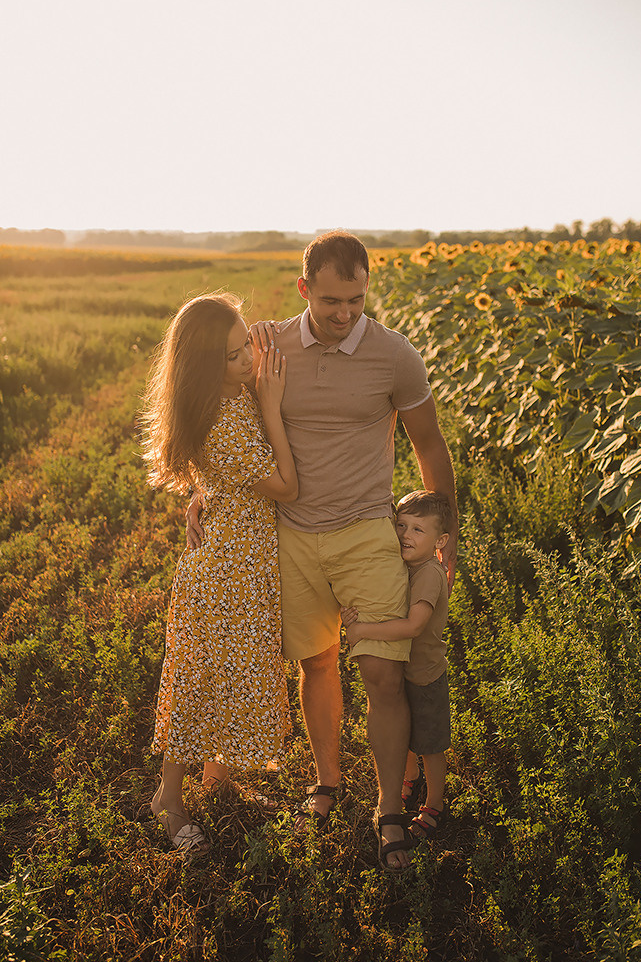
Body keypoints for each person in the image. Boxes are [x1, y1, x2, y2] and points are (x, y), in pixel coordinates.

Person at [187, 231, 458, 870]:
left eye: (357, 300)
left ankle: (389, 807)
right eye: (332, 300)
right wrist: (200, 489)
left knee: (384, 673)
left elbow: (431, 447)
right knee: (316, 663)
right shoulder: (265, 344)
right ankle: (328, 778)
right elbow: (217, 414)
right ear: (304, 288)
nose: (345, 314)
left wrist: (445, 533)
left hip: (368, 530)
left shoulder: (396, 357)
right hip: (290, 532)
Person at [143, 293, 297, 853]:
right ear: (207, 367)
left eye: (245, 349)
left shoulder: (232, 397)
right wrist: (273, 406)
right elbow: (286, 487)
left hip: (243, 561)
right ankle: (170, 797)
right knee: (202, 681)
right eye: (234, 358)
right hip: (226, 569)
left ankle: (220, 778)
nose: (249, 362)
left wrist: (205, 493)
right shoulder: (226, 417)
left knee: (230, 673)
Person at [341, 490, 453, 842]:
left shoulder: (429, 574)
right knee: (401, 732)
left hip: (424, 675)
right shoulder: (401, 567)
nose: (406, 535)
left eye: (419, 530)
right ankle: (408, 778)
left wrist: (362, 631)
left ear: (441, 540)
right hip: (400, 666)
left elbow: (413, 626)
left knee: (430, 744)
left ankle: (435, 803)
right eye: (401, 525)